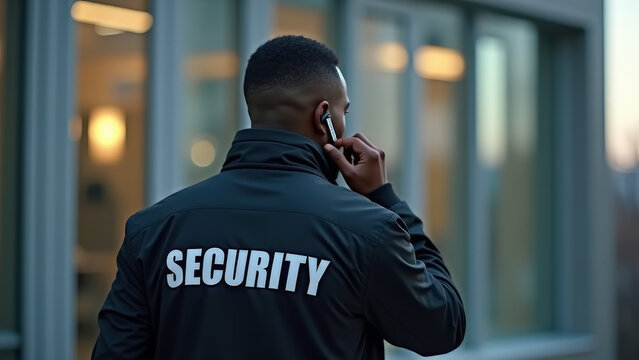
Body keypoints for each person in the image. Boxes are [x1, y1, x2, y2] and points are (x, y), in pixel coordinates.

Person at [92, 35, 465, 359]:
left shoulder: (154, 229)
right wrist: (386, 199)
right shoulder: (368, 231)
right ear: (324, 118)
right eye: (343, 111)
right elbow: (443, 326)